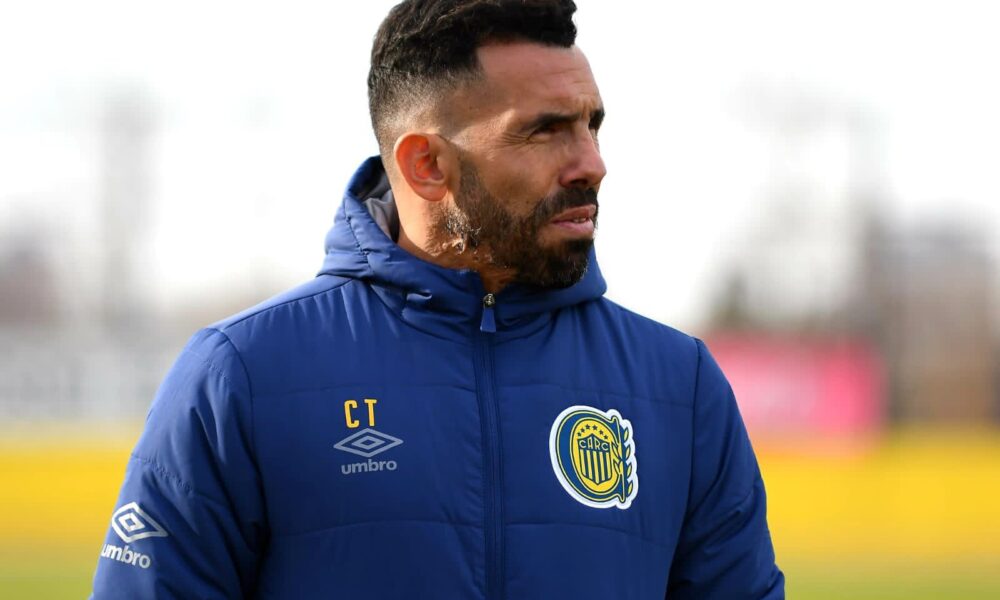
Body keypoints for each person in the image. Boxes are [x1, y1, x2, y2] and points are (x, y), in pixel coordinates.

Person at [92, 0, 784, 598]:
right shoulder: (240, 374)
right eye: (545, 130)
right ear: (426, 166)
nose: (592, 164)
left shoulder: (679, 385)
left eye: (591, 125)